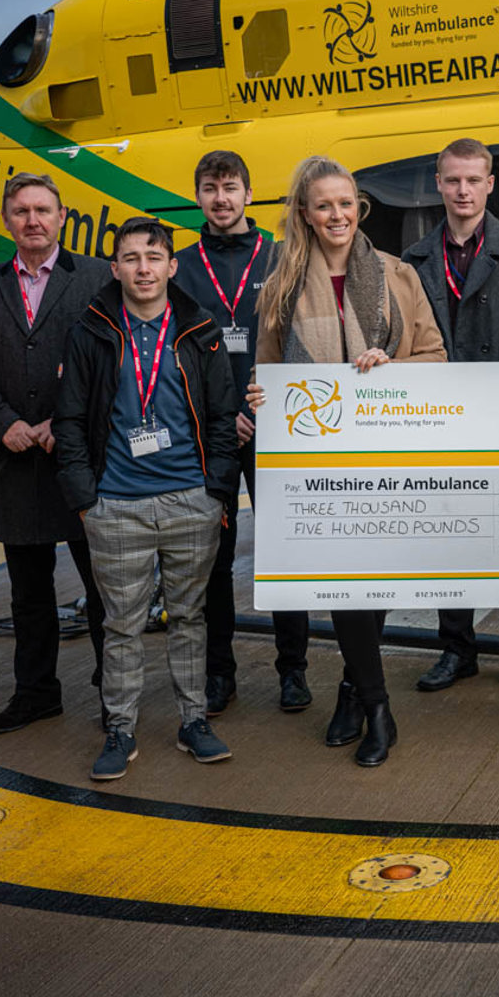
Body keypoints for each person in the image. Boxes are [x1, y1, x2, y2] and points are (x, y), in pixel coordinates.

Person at [248, 156, 447, 768]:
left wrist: (393, 366)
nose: (338, 215)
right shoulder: (281, 284)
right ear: (305, 214)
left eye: (347, 204)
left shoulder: (396, 275)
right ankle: (379, 705)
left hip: (391, 452)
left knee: (373, 579)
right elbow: (268, 370)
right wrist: (260, 394)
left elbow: (437, 357)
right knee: (344, 579)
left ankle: (351, 688)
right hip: (319, 462)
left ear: (360, 209)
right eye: (324, 205)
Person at [53, 217, 241, 782]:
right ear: (115, 268)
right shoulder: (92, 329)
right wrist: (87, 500)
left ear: (170, 265)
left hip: (190, 499)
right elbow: (69, 419)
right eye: (131, 258)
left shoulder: (199, 329)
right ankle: (120, 728)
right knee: (122, 625)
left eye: (153, 257)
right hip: (117, 504)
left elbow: (221, 417)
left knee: (189, 618)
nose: (142, 268)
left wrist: (217, 493)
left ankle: (192, 720)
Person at [0, 173, 114, 734]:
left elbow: (110, 360)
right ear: (6, 220)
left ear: (62, 215)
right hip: (16, 461)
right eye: (21, 211)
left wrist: (61, 422)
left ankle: (111, 692)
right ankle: (36, 692)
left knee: (103, 587)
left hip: (81, 462)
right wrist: (5, 424)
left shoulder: (96, 278)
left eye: (43, 210)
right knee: (29, 593)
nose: (33, 220)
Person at [171, 150, 313, 717]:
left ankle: (293, 670)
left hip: (277, 426)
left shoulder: (282, 257)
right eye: (210, 188)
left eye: (231, 188)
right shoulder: (179, 266)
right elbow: (174, 352)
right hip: (212, 431)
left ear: (249, 195)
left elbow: (303, 340)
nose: (221, 199)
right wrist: (221, 411)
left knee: (285, 553)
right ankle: (219, 674)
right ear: (199, 196)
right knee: (213, 556)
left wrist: (272, 401)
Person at [400, 137, 499, 696]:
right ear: (438, 183)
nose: (462, 190)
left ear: (490, 184)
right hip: (439, 421)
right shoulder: (413, 260)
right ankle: (456, 649)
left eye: (473, 180)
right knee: (448, 536)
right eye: (452, 180)